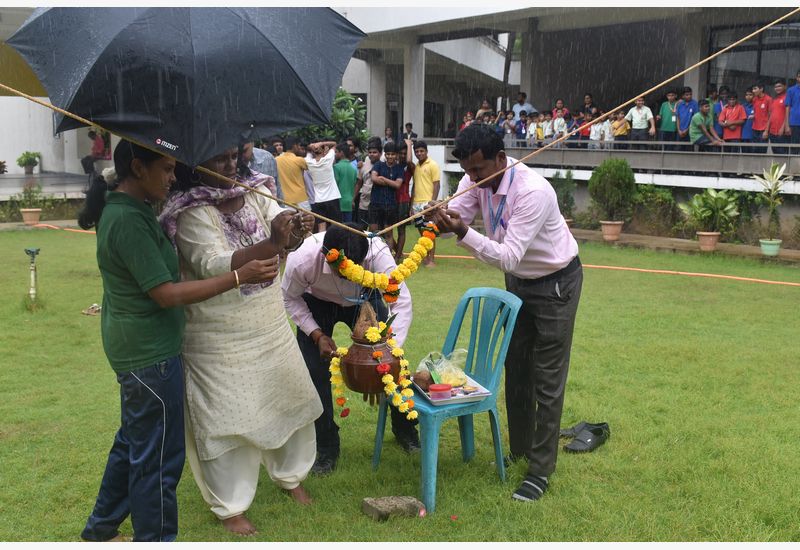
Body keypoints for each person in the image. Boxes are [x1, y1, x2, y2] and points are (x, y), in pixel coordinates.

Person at [77, 141, 276, 542]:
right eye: (166, 169)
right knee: (159, 458)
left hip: (144, 348)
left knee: (133, 440)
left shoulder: (133, 210)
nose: (173, 178)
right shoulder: (127, 220)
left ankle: (100, 529)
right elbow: (165, 293)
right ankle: (155, 539)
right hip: (148, 355)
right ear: (137, 167)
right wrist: (239, 276)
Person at [159, 147, 321, 537]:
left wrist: (293, 229)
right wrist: (272, 243)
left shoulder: (256, 189)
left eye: (234, 157)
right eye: (219, 159)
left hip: (268, 323)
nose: (231, 165)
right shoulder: (189, 208)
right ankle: (230, 506)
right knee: (227, 416)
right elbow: (213, 262)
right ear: (194, 165)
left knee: (287, 396)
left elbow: (281, 235)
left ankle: (290, 477)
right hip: (217, 335)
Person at [427, 124, 582, 503]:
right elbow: (452, 220)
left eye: (479, 170)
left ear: (500, 158)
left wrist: (462, 232)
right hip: (519, 284)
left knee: (547, 377)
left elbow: (509, 254)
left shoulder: (532, 192)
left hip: (555, 284)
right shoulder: (478, 181)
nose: (473, 179)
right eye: (467, 171)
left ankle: (540, 471)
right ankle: (522, 449)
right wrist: (433, 219)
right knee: (516, 368)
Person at [281, 224, 419, 475]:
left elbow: (401, 299)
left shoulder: (377, 253)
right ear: (326, 255)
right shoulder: (302, 259)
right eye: (342, 270)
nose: (349, 276)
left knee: (394, 364)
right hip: (318, 303)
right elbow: (289, 297)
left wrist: (390, 348)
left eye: (356, 269)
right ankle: (326, 445)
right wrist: (316, 333)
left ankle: (406, 429)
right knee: (314, 372)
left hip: (366, 298)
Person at [410, 140, 440, 266]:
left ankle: (431, 259)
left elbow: (437, 185)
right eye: (416, 151)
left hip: (427, 203)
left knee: (430, 232)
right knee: (422, 233)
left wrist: (432, 204)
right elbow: (414, 185)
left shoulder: (433, 164)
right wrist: (411, 205)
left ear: (426, 151)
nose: (419, 153)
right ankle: (426, 256)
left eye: (422, 151)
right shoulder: (416, 166)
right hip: (416, 204)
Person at [369, 141, 403, 251]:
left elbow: (397, 185)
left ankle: (388, 260)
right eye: (388, 154)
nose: (390, 156)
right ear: (385, 154)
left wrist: (383, 179)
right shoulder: (378, 165)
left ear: (396, 155)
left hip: (390, 205)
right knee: (374, 233)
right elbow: (374, 178)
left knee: (389, 234)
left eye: (392, 154)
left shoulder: (399, 168)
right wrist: (390, 183)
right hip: (375, 203)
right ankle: (375, 257)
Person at [305, 140, 341, 230]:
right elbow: (334, 144)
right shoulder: (328, 159)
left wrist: (313, 145)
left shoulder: (309, 162)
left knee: (321, 228)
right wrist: (321, 143)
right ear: (324, 151)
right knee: (335, 226)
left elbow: (308, 150)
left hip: (318, 200)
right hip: (332, 198)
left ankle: (322, 244)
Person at [393, 139, 415, 264]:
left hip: (403, 201)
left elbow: (408, 160)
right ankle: (398, 252)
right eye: (400, 153)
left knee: (401, 230)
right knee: (386, 230)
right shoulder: (393, 165)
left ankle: (397, 256)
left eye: (404, 153)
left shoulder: (409, 167)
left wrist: (409, 145)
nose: (402, 155)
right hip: (391, 200)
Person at [353, 138, 382, 228]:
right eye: (370, 152)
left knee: (377, 233)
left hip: (378, 204)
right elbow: (359, 183)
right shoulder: (364, 164)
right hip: (364, 204)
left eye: (374, 152)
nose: (372, 154)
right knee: (361, 230)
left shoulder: (384, 164)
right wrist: (353, 199)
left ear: (380, 153)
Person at [276, 136, 310, 209]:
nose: (299, 148)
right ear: (295, 146)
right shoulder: (299, 160)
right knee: (308, 219)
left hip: (285, 199)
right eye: (298, 146)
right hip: (301, 197)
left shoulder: (276, 160)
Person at [334, 142, 358, 223]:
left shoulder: (336, 167)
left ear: (341, 153)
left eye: (336, 152)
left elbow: (335, 185)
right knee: (348, 228)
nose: (335, 154)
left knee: (339, 229)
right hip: (349, 202)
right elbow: (354, 184)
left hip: (338, 203)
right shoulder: (353, 168)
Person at [767, 78, 788, 155]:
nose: (777, 88)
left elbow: (788, 114)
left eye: (779, 86)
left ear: (785, 87)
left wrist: (783, 127)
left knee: (783, 155)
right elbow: (771, 115)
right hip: (772, 133)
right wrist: (767, 130)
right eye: (776, 87)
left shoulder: (787, 98)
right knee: (775, 155)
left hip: (782, 132)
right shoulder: (774, 99)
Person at [676, 86, 699, 151]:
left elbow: (695, 119)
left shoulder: (695, 104)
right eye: (687, 95)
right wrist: (679, 130)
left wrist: (687, 130)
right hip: (680, 132)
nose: (689, 96)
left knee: (689, 150)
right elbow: (678, 118)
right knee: (679, 150)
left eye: (690, 94)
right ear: (682, 96)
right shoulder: (680, 104)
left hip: (690, 132)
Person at [751, 83, 771, 154]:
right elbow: (755, 112)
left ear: (761, 89)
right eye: (753, 89)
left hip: (763, 129)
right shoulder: (754, 99)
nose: (753, 91)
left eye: (755, 89)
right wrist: (753, 116)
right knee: (754, 150)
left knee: (762, 151)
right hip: (754, 129)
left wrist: (766, 131)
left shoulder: (768, 99)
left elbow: (770, 116)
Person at [784, 70, 800, 151]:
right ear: (797, 78)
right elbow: (787, 107)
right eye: (799, 76)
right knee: (795, 147)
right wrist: (787, 124)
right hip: (795, 122)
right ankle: (795, 164)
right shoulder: (791, 90)